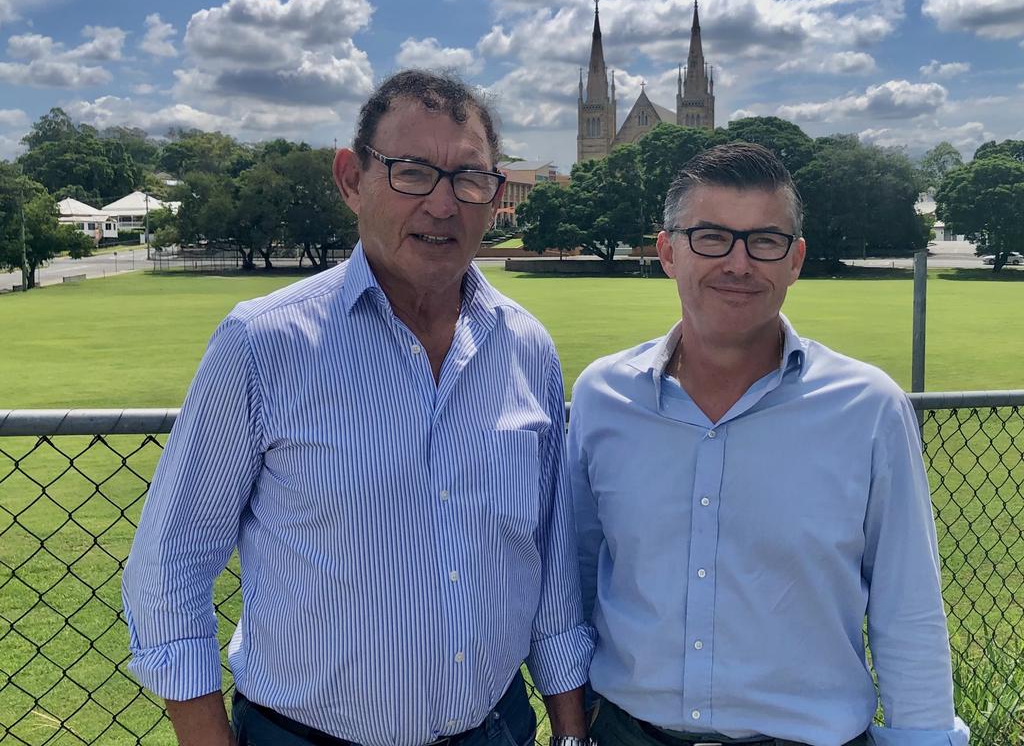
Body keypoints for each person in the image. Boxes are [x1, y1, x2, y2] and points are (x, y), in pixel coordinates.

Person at [123, 70, 594, 746]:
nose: (442, 204)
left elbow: (548, 567)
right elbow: (171, 560)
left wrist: (571, 730)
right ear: (351, 179)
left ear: (494, 194)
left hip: (498, 728)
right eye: (411, 172)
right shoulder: (263, 344)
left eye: (468, 178)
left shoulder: (526, 349)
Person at [568, 142, 969, 746]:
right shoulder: (604, 397)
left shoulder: (866, 407)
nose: (738, 263)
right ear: (666, 251)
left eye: (764, 241)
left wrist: (926, 736)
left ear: (795, 259)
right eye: (710, 237)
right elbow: (574, 577)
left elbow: (905, 605)